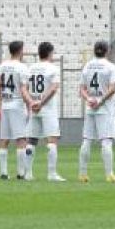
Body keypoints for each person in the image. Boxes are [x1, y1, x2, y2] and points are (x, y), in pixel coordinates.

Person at [79, 40, 115, 183]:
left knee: (86, 140)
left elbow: (82, 89)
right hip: (104, 108)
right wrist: (100, 101)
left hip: (90, 107)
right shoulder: (111, 67)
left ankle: (83, 174)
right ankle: (109, 174)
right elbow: (112, 88)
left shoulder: (87, 66)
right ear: (107, 51)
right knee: (106, 141)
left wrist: (89, 99)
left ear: (94, 50)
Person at [25, 42, 65, 182]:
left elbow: (24, 87)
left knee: (31, 140)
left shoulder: (31, 68)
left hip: (33, 108)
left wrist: (31, 102)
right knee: (52, 140)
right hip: (47, 108)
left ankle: (28, 173)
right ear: (49, 53)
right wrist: (41, 103)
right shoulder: (53, 68)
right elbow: (53, 88)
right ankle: (52, 174)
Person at [0, 40, 32, 180]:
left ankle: (3, 172)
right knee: (21, 139)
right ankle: (21, 172)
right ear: (20, 51)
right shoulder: (22, 68)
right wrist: (30, 107)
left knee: (4, 138)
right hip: (17, 104)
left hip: (5, 104)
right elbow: (24, 90)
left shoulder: (2, 66)